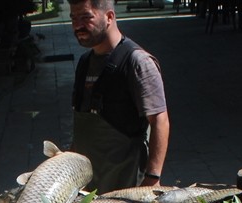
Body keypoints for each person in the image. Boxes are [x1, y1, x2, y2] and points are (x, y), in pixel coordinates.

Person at [68, 0, 170, 192]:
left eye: (86, 17)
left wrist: (152, 179)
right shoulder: (84, 62)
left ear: (109, 17)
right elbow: (85, 128)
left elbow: (160, 121)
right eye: (73, 18)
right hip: (87, 188)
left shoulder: (137, 62)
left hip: (126, 191)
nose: (77, 25)